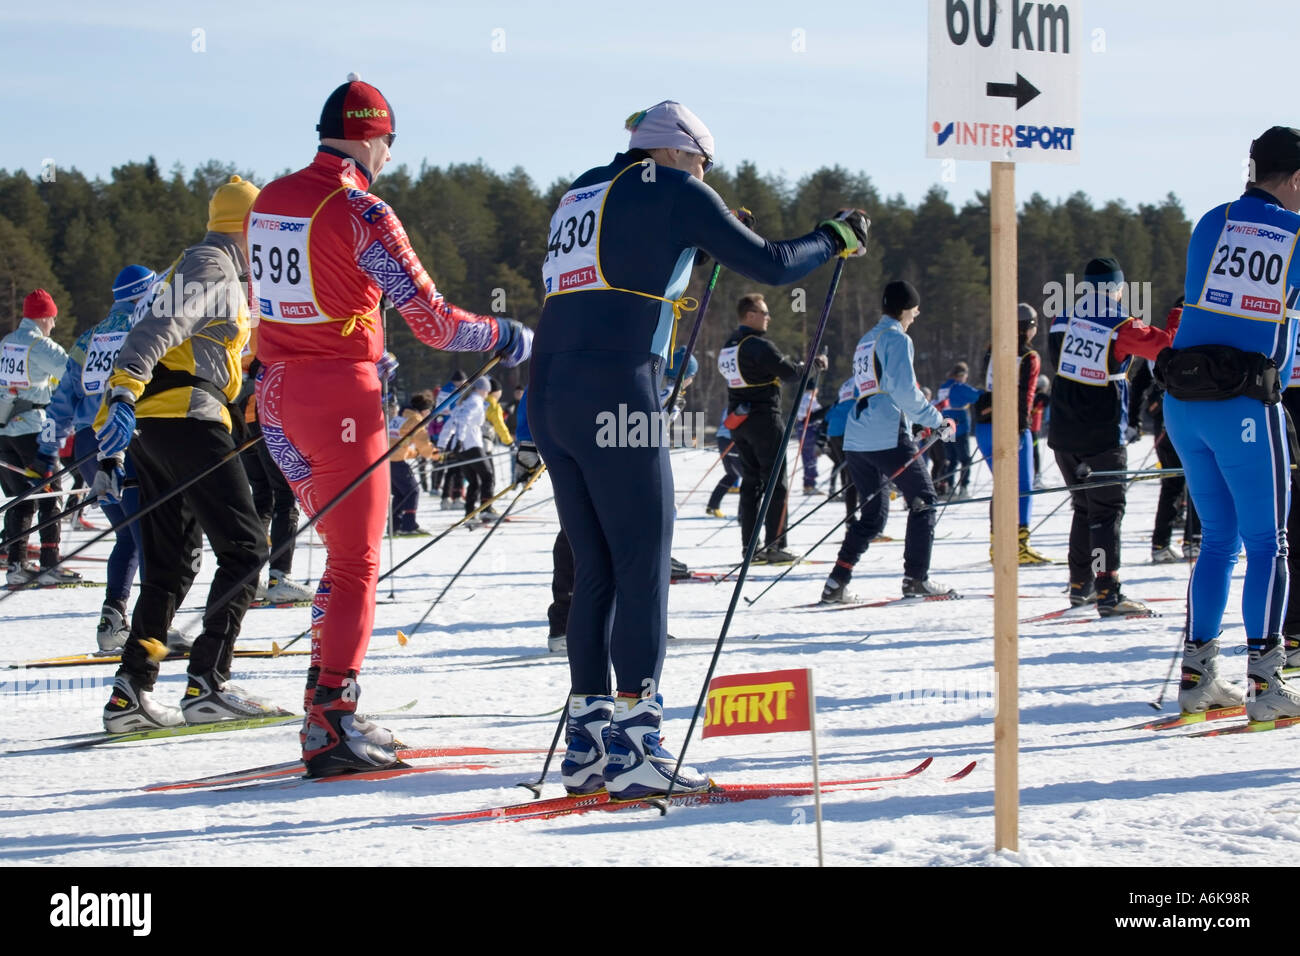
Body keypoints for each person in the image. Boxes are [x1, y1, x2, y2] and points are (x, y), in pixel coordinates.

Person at [528, 99, 864, 799]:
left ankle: (589, 744)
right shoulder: (676, 188)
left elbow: (619, 262)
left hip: (552, 390)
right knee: (644, 561)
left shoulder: (584, 188)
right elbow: (772, 265)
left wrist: (696, 238)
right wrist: (834, 236)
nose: (707, 172)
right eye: (704, 161)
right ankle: (639, 748)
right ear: (679, 151)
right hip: (617, 388)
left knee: (595, 567)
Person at [250, 75, 531, 775]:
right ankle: (331, 725)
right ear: (375, 138)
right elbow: (434, 322)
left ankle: (328, 706)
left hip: (276, 395)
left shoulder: (271, 198)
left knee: (338, 560)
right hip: (336, 399)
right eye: (391, 146)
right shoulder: (361, 210)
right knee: (354, 565)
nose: (390, 160)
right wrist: (505, 333)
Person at [95, 176, 283, 732]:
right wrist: (124, 392)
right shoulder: (212, 264)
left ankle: (131, 691)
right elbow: (154, 331)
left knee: (170, 564)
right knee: (247, 549)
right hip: (185, 421)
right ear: (248, 226)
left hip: (161, 426)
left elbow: (211, 352)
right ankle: (208, 683)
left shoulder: (213, 267)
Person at [1165, 127, 1300, 719]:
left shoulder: (1210, 221)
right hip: (1245, 403)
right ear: (1296, 179)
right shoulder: (1295, 232)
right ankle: (1267, 686)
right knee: (1269, 543)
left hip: (1184, 400)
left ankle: (1198, 677)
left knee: (1216, 541)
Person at [1047, 256, 1176, 616]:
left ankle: (1080, 585)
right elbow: (1163, 346)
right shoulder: (1121, 323)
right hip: (1101, 431)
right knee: (1106, 512)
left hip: (1063, 430)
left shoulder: (1061, 317)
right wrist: (1177, 320)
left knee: (1083, 507)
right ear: (1118, 288)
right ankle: (1108, 592)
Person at [819, 280, 956, 604]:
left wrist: (912, 423)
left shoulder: (867, 339)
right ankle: (915, 579)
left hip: (858, 437)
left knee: (873, 515)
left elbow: (872, 388)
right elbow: (904, 390)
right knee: (923, 498)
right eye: (915, 309)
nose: (917, 314)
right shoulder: (896, 338)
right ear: (906, 308)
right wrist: (936, 420)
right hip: (884, 434)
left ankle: (836, 582)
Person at [44, 266, 155, 649]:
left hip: (88, 447)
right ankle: (150, 627)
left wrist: (49, 449)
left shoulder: (89, 337)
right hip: (126, 438)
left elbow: (62, 399)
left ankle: (114, 621)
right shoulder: (146, 326)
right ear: (145, 293)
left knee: (128, 536)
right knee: (151, 537)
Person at [721, 292, 829, 566]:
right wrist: (814, 365)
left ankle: (750, 547)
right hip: (764, 420)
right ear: (749, 315)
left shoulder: (728, 346)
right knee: (776, 484)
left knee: (751, 483)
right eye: (764, 312)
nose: (769, 317)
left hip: (739, 421)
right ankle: (776, 544)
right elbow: (790, 373)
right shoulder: (757, 345)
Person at [0, 289, 81, 588]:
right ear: (45, 317)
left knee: (18, 500)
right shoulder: (40, 345)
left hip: (4, 432)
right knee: (49, 494)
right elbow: (74, 373)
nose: (54, 325)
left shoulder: (7, 343)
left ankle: (17, 565)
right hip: (32, 429)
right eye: (53, 319)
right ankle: (50, 563)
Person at [973, 304, 1050, 564]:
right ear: (1029, 328)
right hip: (1010, 425)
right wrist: (1021, 427)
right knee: (1022, 485)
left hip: (985, 424)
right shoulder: (1029, 356)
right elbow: (1026, 394)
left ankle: (998, 545)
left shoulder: (991, 349)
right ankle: (1019, 545)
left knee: (1002, 485)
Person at [1139, 299, 1201, 563]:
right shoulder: (1191, 339)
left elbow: (1140, 383)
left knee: (1176, 486)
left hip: (1172, 425)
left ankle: (1167, 543)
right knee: (1193, 483)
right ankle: (1189, 542)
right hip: (1180, 424)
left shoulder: (1164, 342)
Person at [438, 377, 496, 522]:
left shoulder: (462, 403)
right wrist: (460, 440)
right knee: (488, 475)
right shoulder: (475, 401)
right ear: (482, 389)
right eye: (487, 391)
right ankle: (486, 509)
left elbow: (449, 425)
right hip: (471, 445)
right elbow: (464, 420)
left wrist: (442, 445)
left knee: (473, 481)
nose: (487, 394)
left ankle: (470, 513)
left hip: (461, 449)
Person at [389, 392, 436, 534]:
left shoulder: (401, 417)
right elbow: (423, 443)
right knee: (412, 491)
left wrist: (413, 453)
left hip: (387, 461)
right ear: (424, 410)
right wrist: (436, 455)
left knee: (400, 494)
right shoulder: (416, 420)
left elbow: (397, 441)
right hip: (396, 461)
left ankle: (394, 526)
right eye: (428, 411)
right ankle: (408, 526)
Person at [935, 362, 981, 497]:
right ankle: (963, 488)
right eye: (965, 375)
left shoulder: (944, 387)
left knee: (950, 459)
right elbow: (976, 396)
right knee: (965, 459)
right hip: (959, 425)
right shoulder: (959, 387)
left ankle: (948, 487)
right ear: (961, 375)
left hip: (945, 424)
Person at [823, 376, 858, 519]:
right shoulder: (866, 377)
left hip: (834, 429)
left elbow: (831, 410)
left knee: (847, 469)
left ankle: (850, 517)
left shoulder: (846, 383)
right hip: (849, 427)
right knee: (857, 471)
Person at [435, 370, 467, 510]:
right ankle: (456, 496)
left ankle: (447, 497)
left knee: (451, 467)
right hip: (453, 432)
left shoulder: (445, 390)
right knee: (457, 466)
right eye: (463, 382)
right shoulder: (453, 391)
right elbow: (456, 411)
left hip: (446, 433)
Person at [704, 406, 742, 518]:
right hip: (732, 440)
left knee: (732, 475)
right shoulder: (742, 403)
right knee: (750, 477)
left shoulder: (731, 403)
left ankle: (712, 506)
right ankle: (744, 514)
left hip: (722, 439)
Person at [796, 379, 825, 494]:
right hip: (810, 429)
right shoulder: (811, 399)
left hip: (801, 429)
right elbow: (817, 413)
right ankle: (810, 485)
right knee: (811, 457)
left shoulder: (801, 398)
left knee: (806, 456)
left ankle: (808, 483)